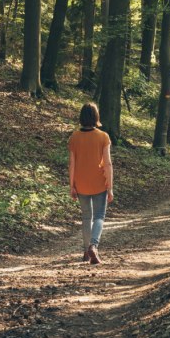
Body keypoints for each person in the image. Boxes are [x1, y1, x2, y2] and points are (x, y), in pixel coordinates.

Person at [68, 102, 113, 264]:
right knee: (99, 216)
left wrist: (72, 185)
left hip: (81, 183)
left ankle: (86, 252)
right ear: (96, 117)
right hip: (99, 182)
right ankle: (94, 246)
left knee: (86, 217)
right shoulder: (103, 136)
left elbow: (72, 164)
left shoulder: (74, 137)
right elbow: (107, 164)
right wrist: (110, 187)